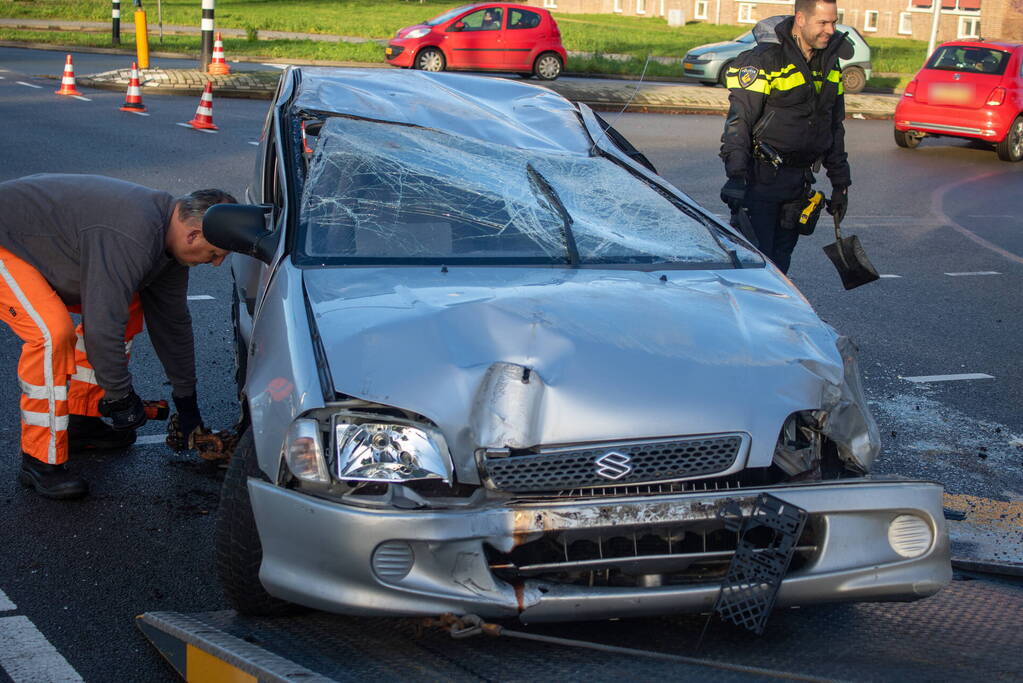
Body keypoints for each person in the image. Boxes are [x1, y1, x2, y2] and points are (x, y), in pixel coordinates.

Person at [0, 174, 237, 500]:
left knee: (130, 303)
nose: (216, 264)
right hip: (6, 241)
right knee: (52, 334)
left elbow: (173, 327)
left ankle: (81, 421)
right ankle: (39, 461)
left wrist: (188, 405)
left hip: (44, 247)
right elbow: (102, 326)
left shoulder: (168, 250)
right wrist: (121, 397)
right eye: (214, 254)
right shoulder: (134, 237)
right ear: (193, 235)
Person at [719, 0, 851, 274]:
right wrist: (735, 176)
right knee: (756, 267)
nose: (830, 30)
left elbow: (834, 127)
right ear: (800, 19)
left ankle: (773, 316)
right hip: (760, 182)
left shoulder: (830, 63)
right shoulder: (764, 60)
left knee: (780, 266)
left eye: (834, 22)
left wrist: (841, 184)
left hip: (797, 183)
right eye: (823, 23)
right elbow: (739, 122)